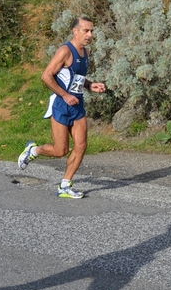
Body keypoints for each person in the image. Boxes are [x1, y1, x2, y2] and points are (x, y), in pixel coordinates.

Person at [18, 15, 106, 198]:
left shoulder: (86, 53)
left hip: (77, 106)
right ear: (75, 31)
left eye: (92, 31)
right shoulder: (65, 51)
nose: (89, 35)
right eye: (86, 31)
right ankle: (33, 150)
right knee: (61, 150)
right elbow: (46, 76)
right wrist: (65, 95)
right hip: (61, 105)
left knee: (81, 145)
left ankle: (65, 185)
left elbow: (76, 78)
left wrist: (90, 85)